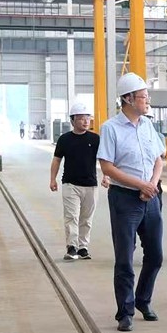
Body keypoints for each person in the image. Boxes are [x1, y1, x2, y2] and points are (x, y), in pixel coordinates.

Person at [97, 72, 166, 332]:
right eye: (143, 96)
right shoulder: (110, 128)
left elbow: (159, 159)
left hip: (151, 198)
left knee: (156, 256)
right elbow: (107, 167)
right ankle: (124, 312)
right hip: (125, 199)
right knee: (125, 258)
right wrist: (140, 185)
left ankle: (142, 300)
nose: (147, 100)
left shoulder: (147, 125)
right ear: (128, 99)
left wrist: (152, 184)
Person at [50, 102, 100, 261]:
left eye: (88, 118)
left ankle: (83, 248)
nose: (86, 121)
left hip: (91, 185)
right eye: (81, 118)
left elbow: (104, 159)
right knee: (71, 217)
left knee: (86, 219)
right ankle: (72, 247)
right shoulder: (64, 139)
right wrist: (53, 179)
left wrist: (107, 176)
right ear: (72, 121)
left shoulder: (95, 139)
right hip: (70, 184)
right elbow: (56, 160)